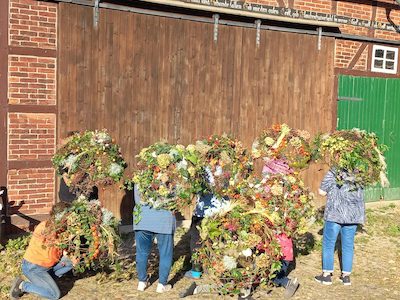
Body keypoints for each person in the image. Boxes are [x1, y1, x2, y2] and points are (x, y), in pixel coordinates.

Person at [10, 203, 76, 300]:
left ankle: (42, 282)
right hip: (33, 267)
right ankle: (23, 285)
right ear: (60, 217)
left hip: (47, 266)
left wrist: (66, 253)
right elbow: (54, 241)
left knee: (69, 262)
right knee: (54, 295)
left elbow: (59, 248)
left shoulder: (61, 229)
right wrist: (68, 238)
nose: (70, 220)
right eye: (68, 217)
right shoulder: (44, 227)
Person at [315, 168, 365, 286]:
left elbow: (322, 192)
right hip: (352, 216)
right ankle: (346, 277)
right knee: (348, 245)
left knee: (329, 244)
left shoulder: (333, 172)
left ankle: (326, 276)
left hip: (335, 214)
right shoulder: (359, 173)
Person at [133, 185, 176, 293]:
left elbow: (138, 199)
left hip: (143, 219)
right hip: (164, 220)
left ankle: (142, 282)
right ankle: (162, 285)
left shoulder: (140, 177)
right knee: (165, 253)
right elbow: (174, 200)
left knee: (141, 252)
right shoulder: (170, 178)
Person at [58, 131, 98, 203]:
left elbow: (93, 173)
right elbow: (67, 181)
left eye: (77, 142)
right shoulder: (63, 157)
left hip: (87, 193)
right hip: (69, 195)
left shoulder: (87, 155)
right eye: (71, 143)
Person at [273, 233, 300, 298]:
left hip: (281, 256)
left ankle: (288, 282)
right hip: (286, 255)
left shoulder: (276, 229)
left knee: (272, 275)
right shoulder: (286, 230)